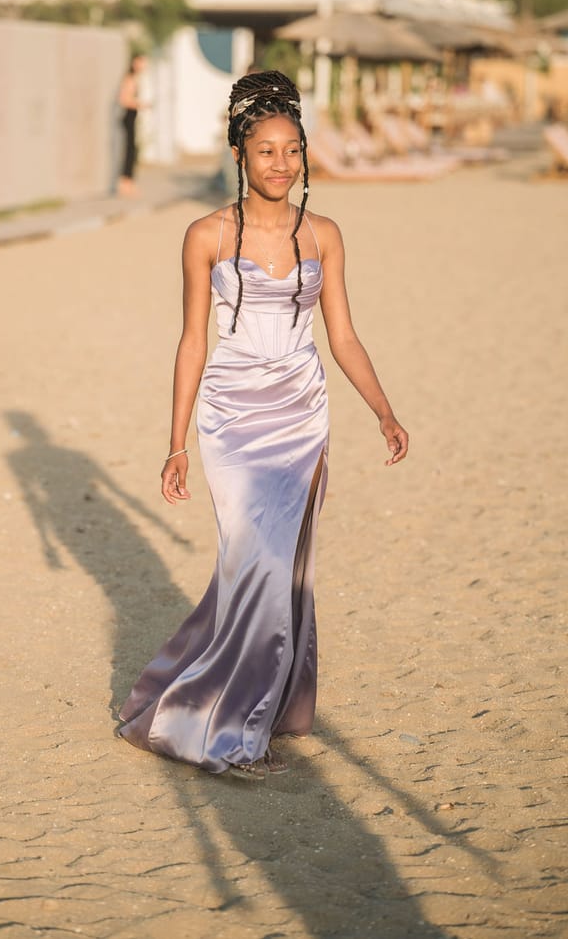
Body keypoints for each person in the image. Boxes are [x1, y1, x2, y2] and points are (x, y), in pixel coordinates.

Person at [118, 70, 408, 779]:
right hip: (231, 416)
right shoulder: (205, 235)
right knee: (257, 565)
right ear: (240, 156)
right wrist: (176, 444)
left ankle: (257, 711)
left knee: (284, 569)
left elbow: (342, 336)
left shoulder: (325, 235)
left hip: (302, 414)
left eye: (292, 150)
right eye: (266, 151)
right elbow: (194, 341)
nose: (281, 164)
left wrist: (383, 410)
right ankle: (225, 729)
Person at [117, 53, 147, 197]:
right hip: (128, 117)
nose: (144, 66)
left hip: (132, 118)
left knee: (132, 150)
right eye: (141, 62)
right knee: (129, 150)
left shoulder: (135, 79)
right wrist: (139, 104)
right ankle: (125, 183)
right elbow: (124, 100)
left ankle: (129, 182)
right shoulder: (129, 79)